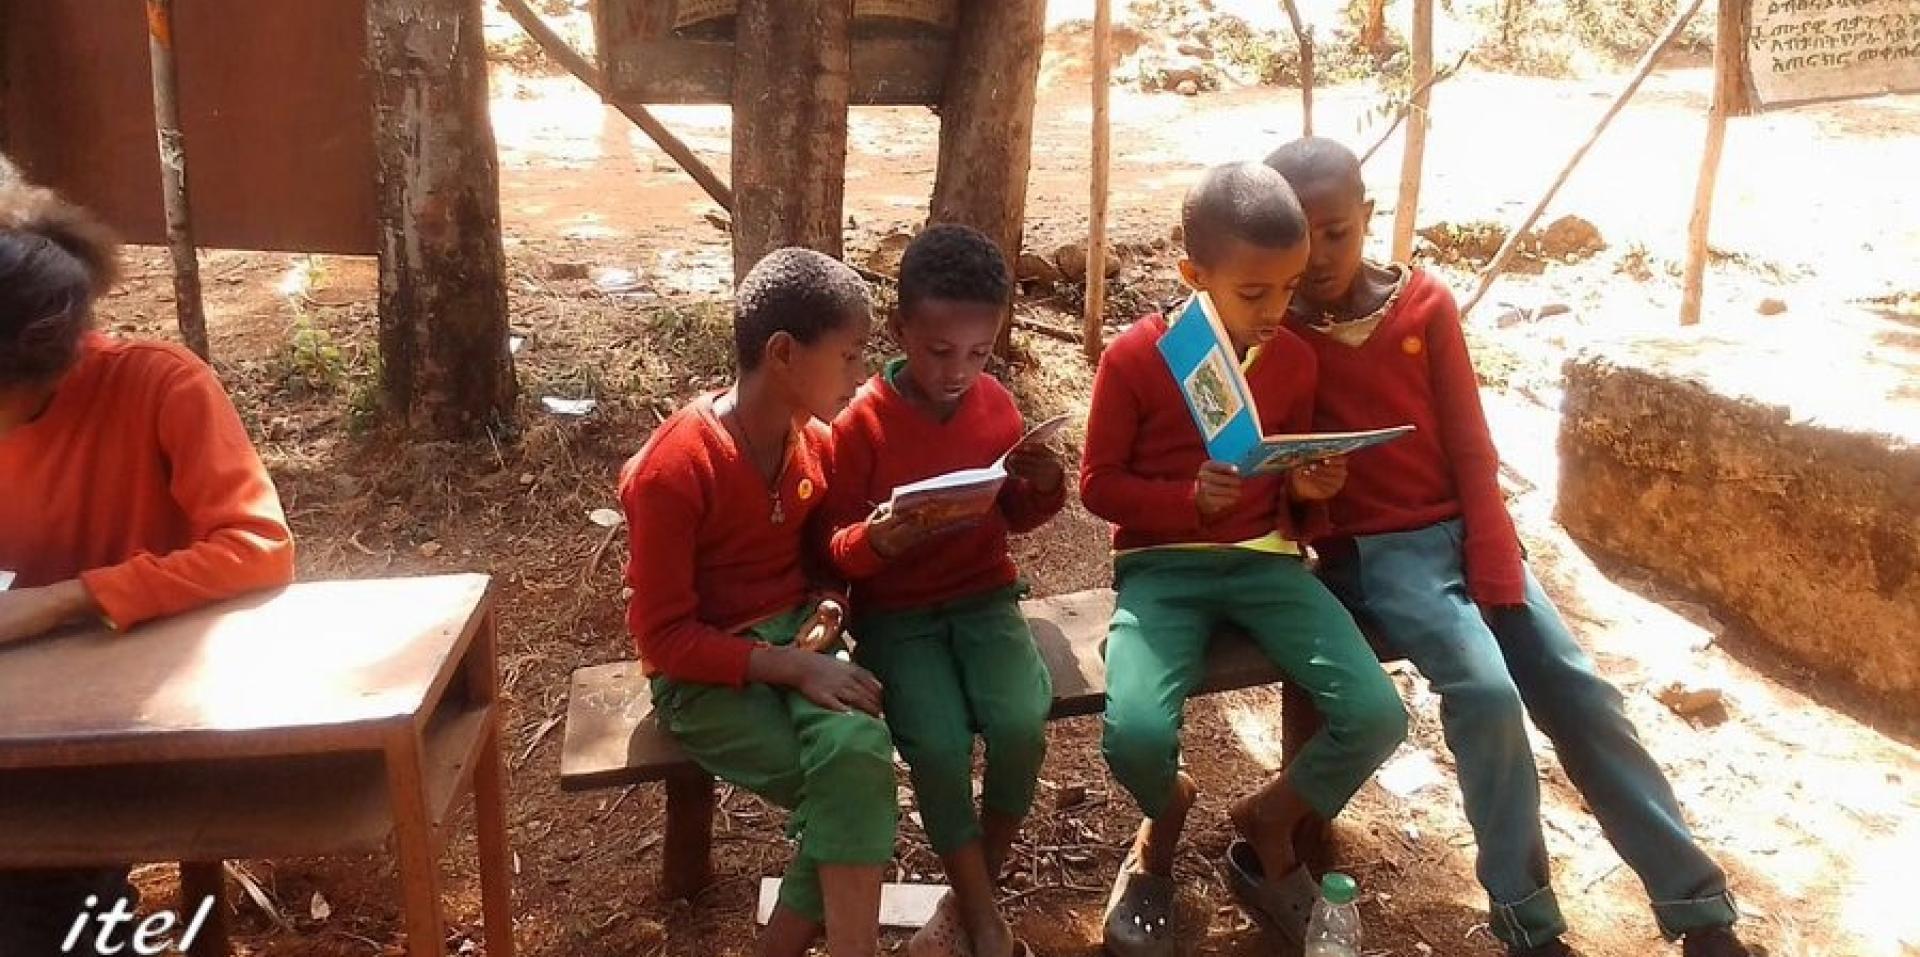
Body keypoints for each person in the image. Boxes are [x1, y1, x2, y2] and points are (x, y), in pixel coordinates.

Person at [1265, 136, 1755, 957]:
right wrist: (1307, 498)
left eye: (1338, 232)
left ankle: (1699, 907)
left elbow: (1471, 450)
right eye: (1300, 235)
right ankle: (1529, 921)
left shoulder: (1424, 304)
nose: (1319, 256)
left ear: (1369, 219)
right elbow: (1277, 472)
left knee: (1581, 693)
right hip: (1380, 555)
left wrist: (1495, 563)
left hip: (1473, 535)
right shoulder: (1279, 334)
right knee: (1488, 696)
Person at [1079, 162, 1407, 956]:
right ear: (1194, 275)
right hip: (1164, 569)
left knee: (1377, 713)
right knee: (1133, 735)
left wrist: (1314, 485)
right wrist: (1185, 502)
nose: (1276, 310)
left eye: (1290, 289)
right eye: (1254, 293)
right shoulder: (1141, 355)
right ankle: (1166, 812)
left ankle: (1272, 816)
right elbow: (1097, 485)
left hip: (1268, 564)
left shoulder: (1294, 361)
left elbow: (1292, 496)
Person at [0, 187, 296, 953]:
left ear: (47, 368)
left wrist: (66, 600)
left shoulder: (159, 385)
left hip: (119, 724)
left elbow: (257, 546)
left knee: (36, 904)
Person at [618, 247, 896, 957]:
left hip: (800, 639)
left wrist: (832, 603)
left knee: (858, 749)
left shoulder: (815, 444)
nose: (861, 374)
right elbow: (665, 639)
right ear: (782, 353)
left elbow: (825, 557)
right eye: (849, 354)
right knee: (850, 784)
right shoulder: (675, 471)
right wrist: (794, 667)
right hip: (704, 675)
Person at [821, 224, 1064, 957]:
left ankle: (973, 888)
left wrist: (1042, 488)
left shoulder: (995, 407)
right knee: (937, 739)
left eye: (979, 352)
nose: (960, 369)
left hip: (983, 595)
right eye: (938, 351)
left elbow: (1013, 515)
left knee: (1023, 719)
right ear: (900, 331)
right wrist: (879, 538)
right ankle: (985, 918)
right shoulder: (860, 423)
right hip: (898, 614)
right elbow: (833, 550)